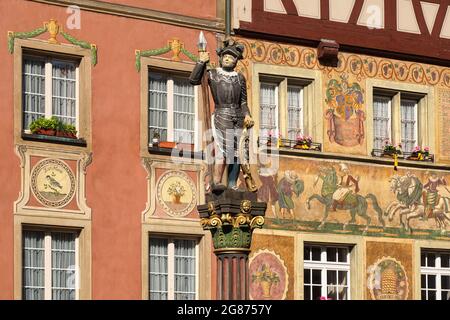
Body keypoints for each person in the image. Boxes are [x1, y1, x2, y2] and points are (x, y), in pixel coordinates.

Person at [189, 39, 254, 191]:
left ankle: (232, 184)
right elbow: (193, 80)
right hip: (221, 114)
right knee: (225, 149)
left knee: (238, 153)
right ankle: (216, 182)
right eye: (225, 56)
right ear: (220, 58)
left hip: (237, 116)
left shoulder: (239, 78)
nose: (227, 59)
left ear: (236, 61)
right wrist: (200, 62)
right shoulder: (213, 74)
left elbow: (243, 101)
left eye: (231, 57)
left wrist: (247, 115)